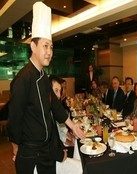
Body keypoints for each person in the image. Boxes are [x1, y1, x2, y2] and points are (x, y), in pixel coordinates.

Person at [7, 2, 84, 174]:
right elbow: (14, 118)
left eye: (51, 47)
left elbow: (55, 107)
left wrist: (73, 126)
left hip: (47, 151)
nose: (49, 52)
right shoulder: (23, 79)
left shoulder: (44, 77)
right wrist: (15, 147)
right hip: (30, 153)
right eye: (45, 46)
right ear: (33, 47)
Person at [48, 75, 82, 174]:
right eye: (56, 90)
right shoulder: (44, 112)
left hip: (57, 151)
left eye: (60, 90)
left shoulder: (52, 108)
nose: (58, 95)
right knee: (81, 167)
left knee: (77, 145)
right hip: (49, 162)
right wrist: (61, 153)